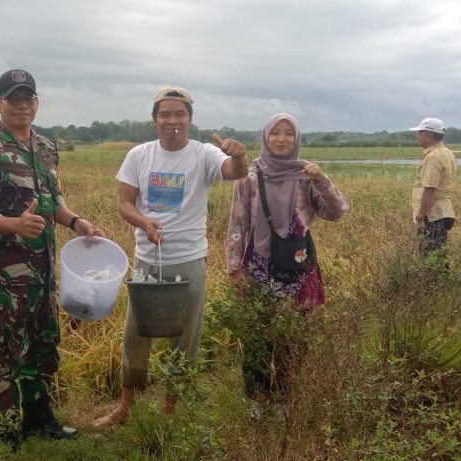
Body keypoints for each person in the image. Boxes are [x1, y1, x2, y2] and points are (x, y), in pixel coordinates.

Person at [93, 86, 249, 427]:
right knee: (136, 334)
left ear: (190, 120)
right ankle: (126, 407)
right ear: (154, 120)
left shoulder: (204, 154)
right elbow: (124, 203)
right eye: (165, 114)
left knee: (185, 337)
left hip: (190, 259)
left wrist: (238, 154)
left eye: (180, 114)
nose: (172, 120)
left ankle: (172, 411)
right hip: (147, 258)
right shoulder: (139, 156)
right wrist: (144, 221)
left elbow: (237, 172)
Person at [0, 69, 103, 445]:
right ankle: (3, 431)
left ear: (37, 103)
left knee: (42, 342)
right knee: (3, 349)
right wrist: (14, 225)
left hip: (44, 268)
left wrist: (76, 222)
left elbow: (52, 201)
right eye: (14, 99)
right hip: (5, 274)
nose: (22, 105)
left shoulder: (46, 147)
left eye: (28, 98)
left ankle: (39, 420)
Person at [225, 113, 348, 404]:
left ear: (297, 139)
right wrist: (234, 269)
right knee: (257, 339)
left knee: (294, 340)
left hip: (298, 270)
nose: (282, 139)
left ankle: (284, 400)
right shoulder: (250, 177)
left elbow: (337, 211)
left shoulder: (307, 176)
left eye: (289, 134)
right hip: (258, 269)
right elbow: (237, 224)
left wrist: (322, 179)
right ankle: (257, 401)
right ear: (265, 138)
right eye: (275, 133)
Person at [409, 117, 457, 255]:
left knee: (429, 259)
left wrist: (421, 216)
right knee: (438, 258)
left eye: (420, 132)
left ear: (429, 135)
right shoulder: (447, 152)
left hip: (433, 215)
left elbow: (430, 190)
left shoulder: (434, 157)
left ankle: (433, 278)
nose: (417, 136)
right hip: (444, 212)